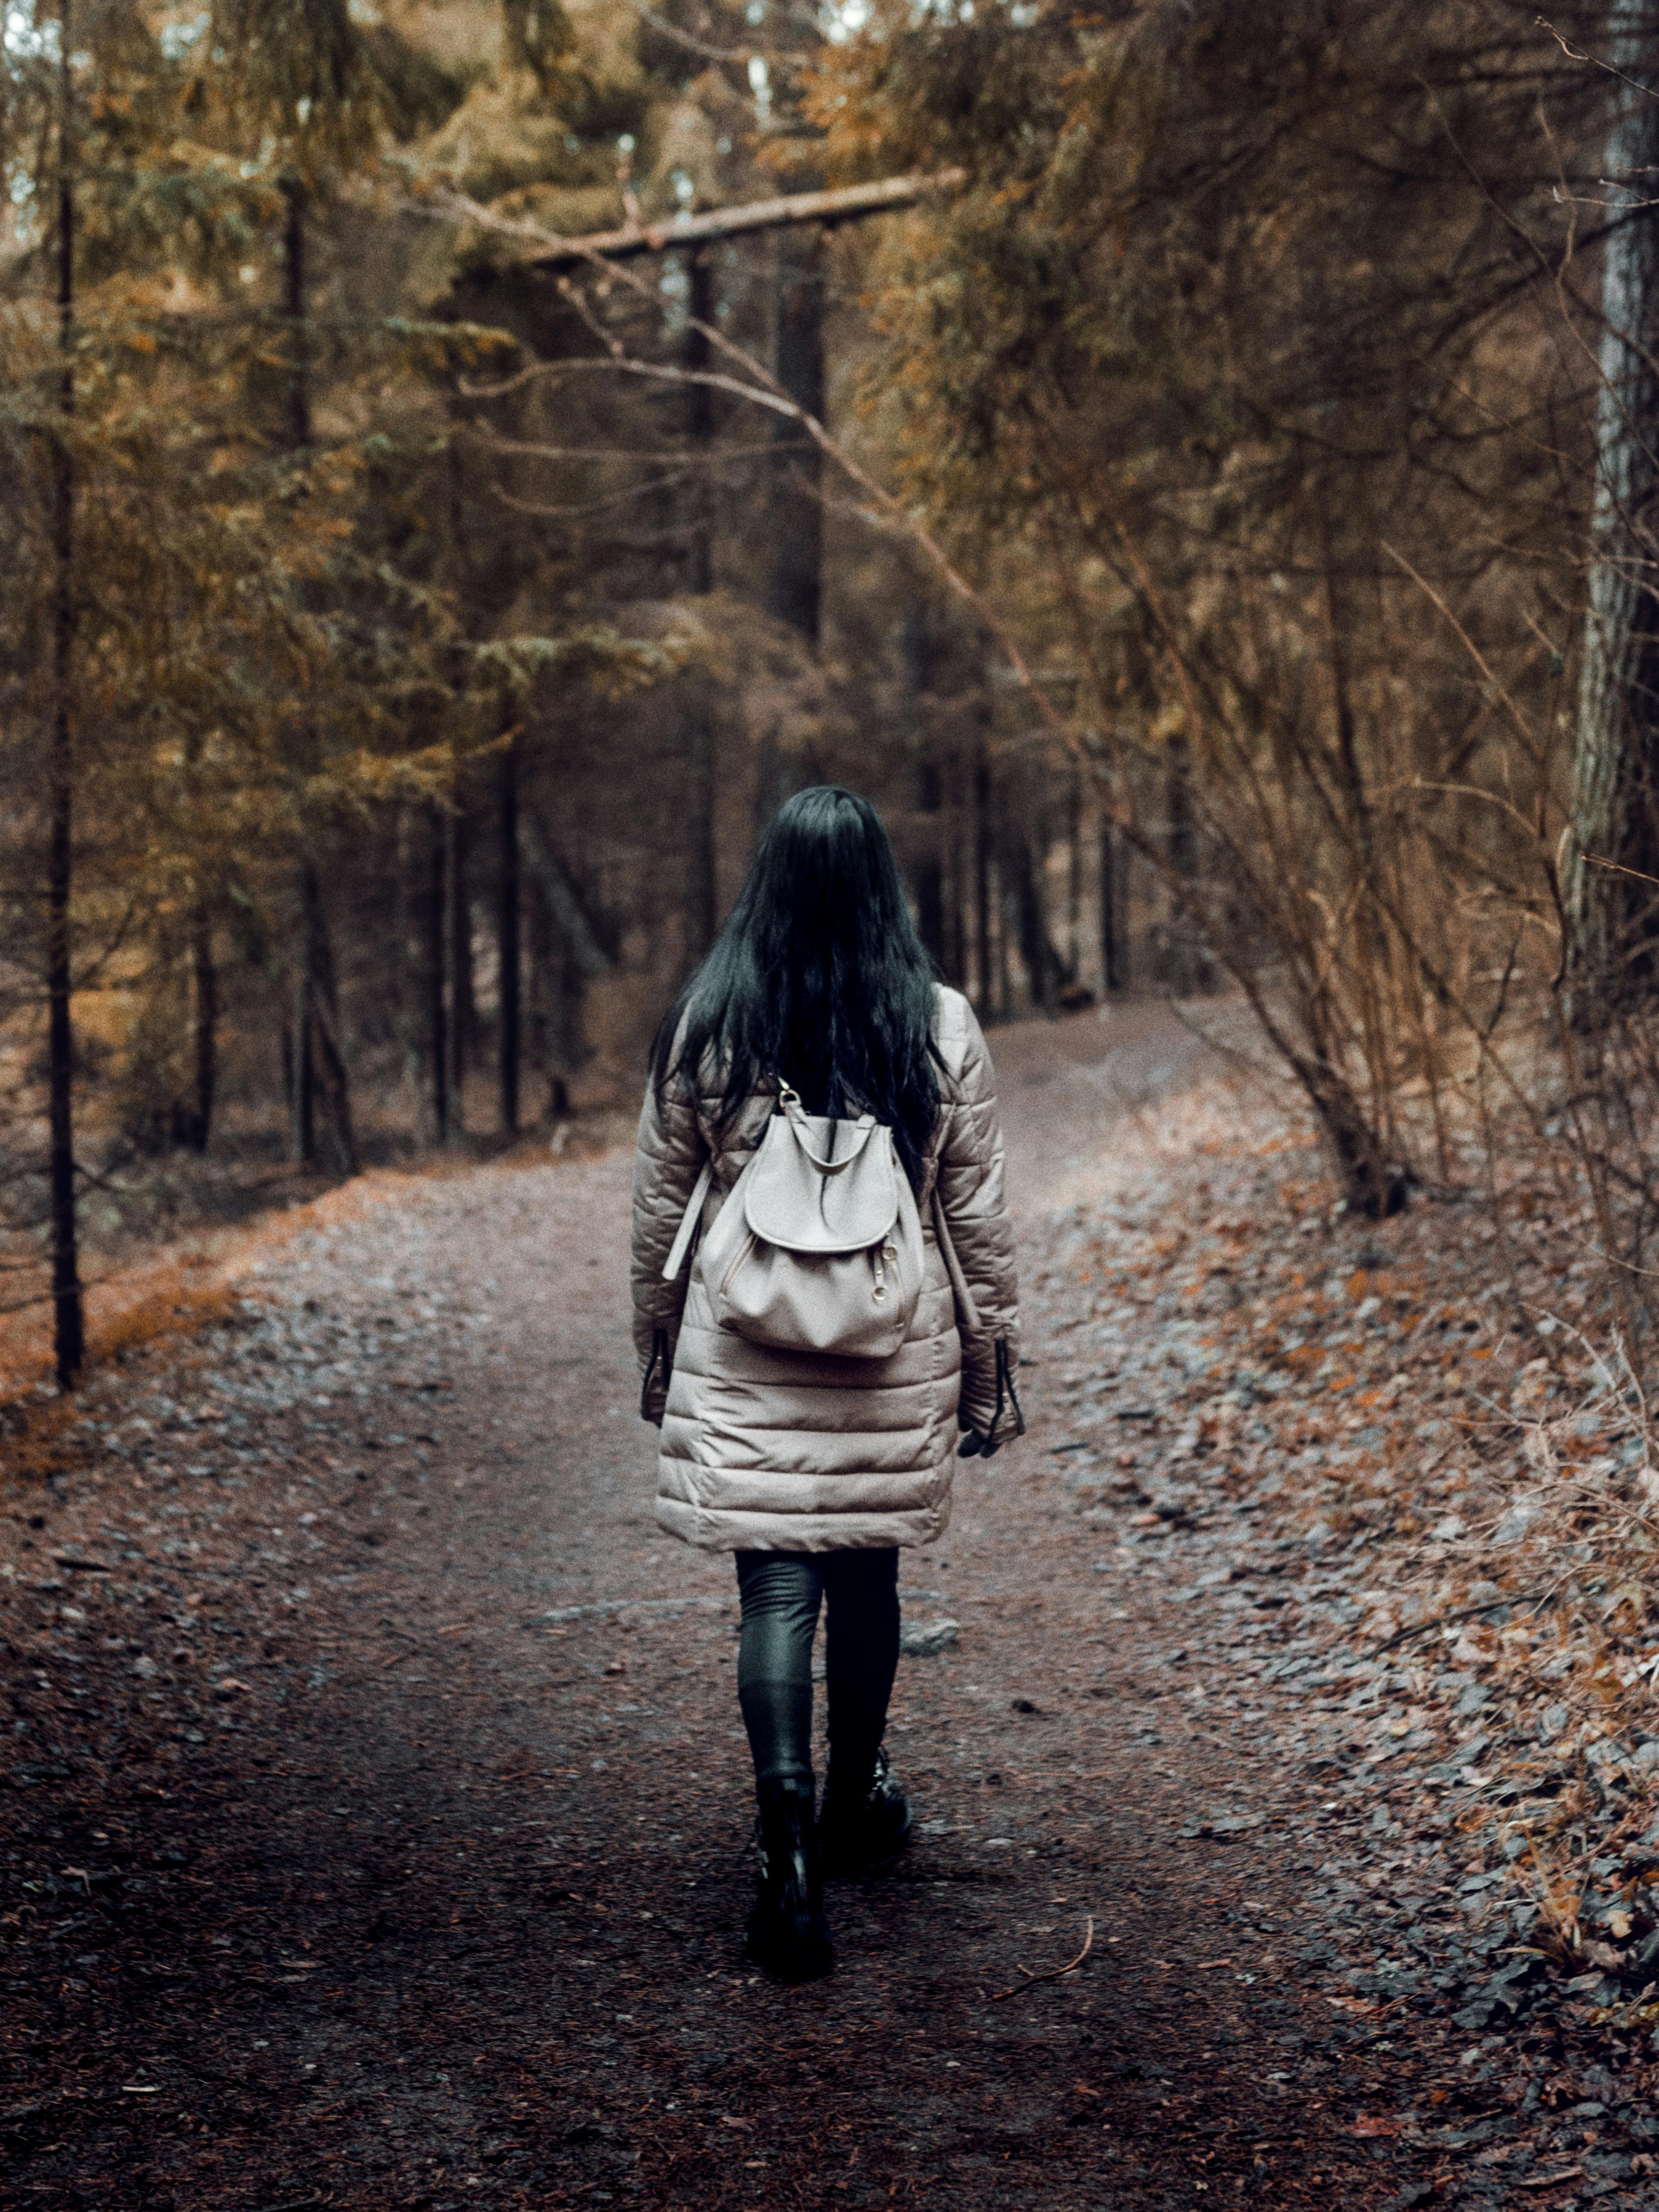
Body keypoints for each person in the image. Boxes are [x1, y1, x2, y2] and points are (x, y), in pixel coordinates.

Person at [630, 786, 1021, 1982]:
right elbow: (975, 1212)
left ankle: (786, 1842)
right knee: (865, 1576)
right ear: (879, 888)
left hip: (745, 1345)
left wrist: (657, 1345)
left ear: (768, 884)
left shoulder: (712, 1019)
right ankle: (855, 1796)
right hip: (890, 1342)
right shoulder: (935, 1022)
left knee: (775, 1589)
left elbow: (659, 1210)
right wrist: (989, 1364)